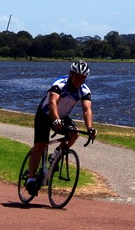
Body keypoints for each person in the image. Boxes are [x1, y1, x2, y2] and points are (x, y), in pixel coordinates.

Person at [25, 60, 96, 196]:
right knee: (40, 145)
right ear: (71, 74)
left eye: (82, 78)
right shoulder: (60, 84)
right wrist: (56, 120)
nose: (78, 80)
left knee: (74, 134)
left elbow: (87, 110)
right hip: (45, 115)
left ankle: (56, 156)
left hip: (62, 117)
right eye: (76, 76)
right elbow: (52, 102)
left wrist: (90, 128)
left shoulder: (84, 90)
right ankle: (31, 178)